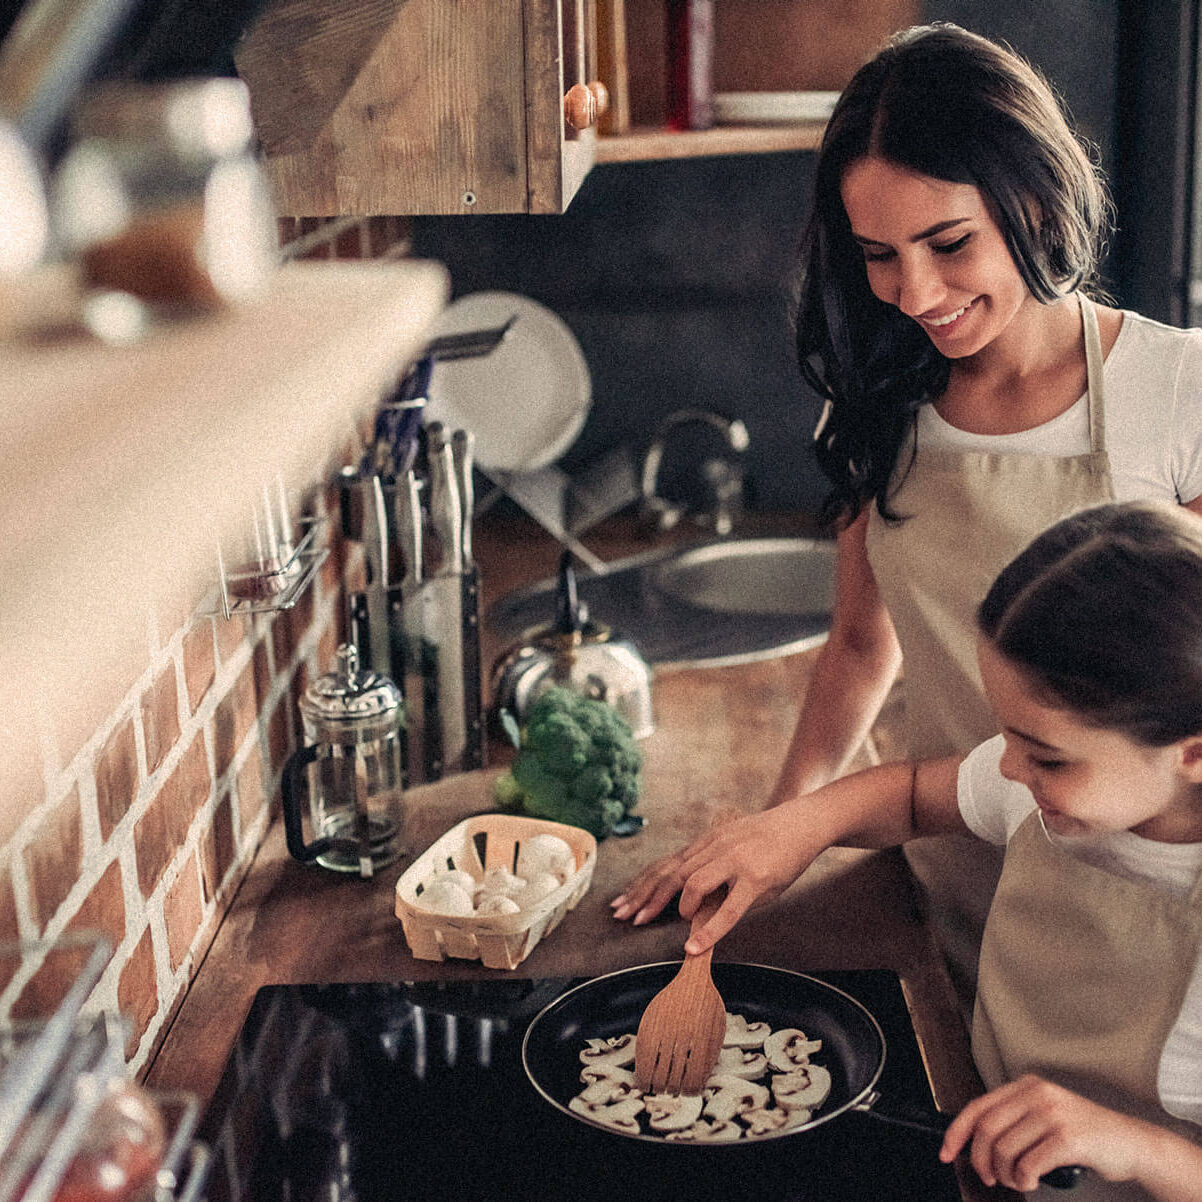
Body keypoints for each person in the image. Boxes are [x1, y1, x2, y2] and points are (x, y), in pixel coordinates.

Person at [612, 23, 1202, 1007]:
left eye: (947, 242)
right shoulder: (878, 402)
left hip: (1136, 926)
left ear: (1030, 195)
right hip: (946, 882)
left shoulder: (1180, 388)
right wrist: (777, 836)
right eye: (877, 254)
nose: (913, 292)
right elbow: (856, 644)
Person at [620, 502, 1202, 1201]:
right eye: (1008, 737)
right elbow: (917, 792)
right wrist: (799, 825)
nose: (1009, 769)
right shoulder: (1047, 786)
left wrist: (1141, 1149)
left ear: (1192, 753)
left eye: (1046, 757)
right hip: (986, 1155)